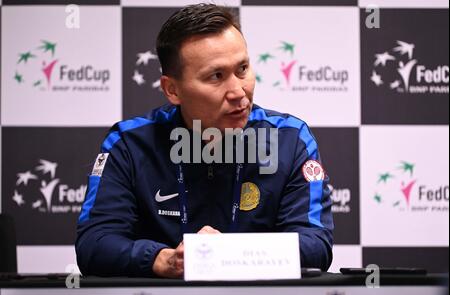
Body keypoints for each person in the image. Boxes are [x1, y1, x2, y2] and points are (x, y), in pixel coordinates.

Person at [76, 3, 333, 278]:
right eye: (216, 76)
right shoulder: (129, 143)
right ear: (172, 89)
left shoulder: (291, 139)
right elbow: (94, 244)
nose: (238, 91)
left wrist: (230, 254)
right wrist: (164, 259)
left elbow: (315, 244)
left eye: (242, 69)